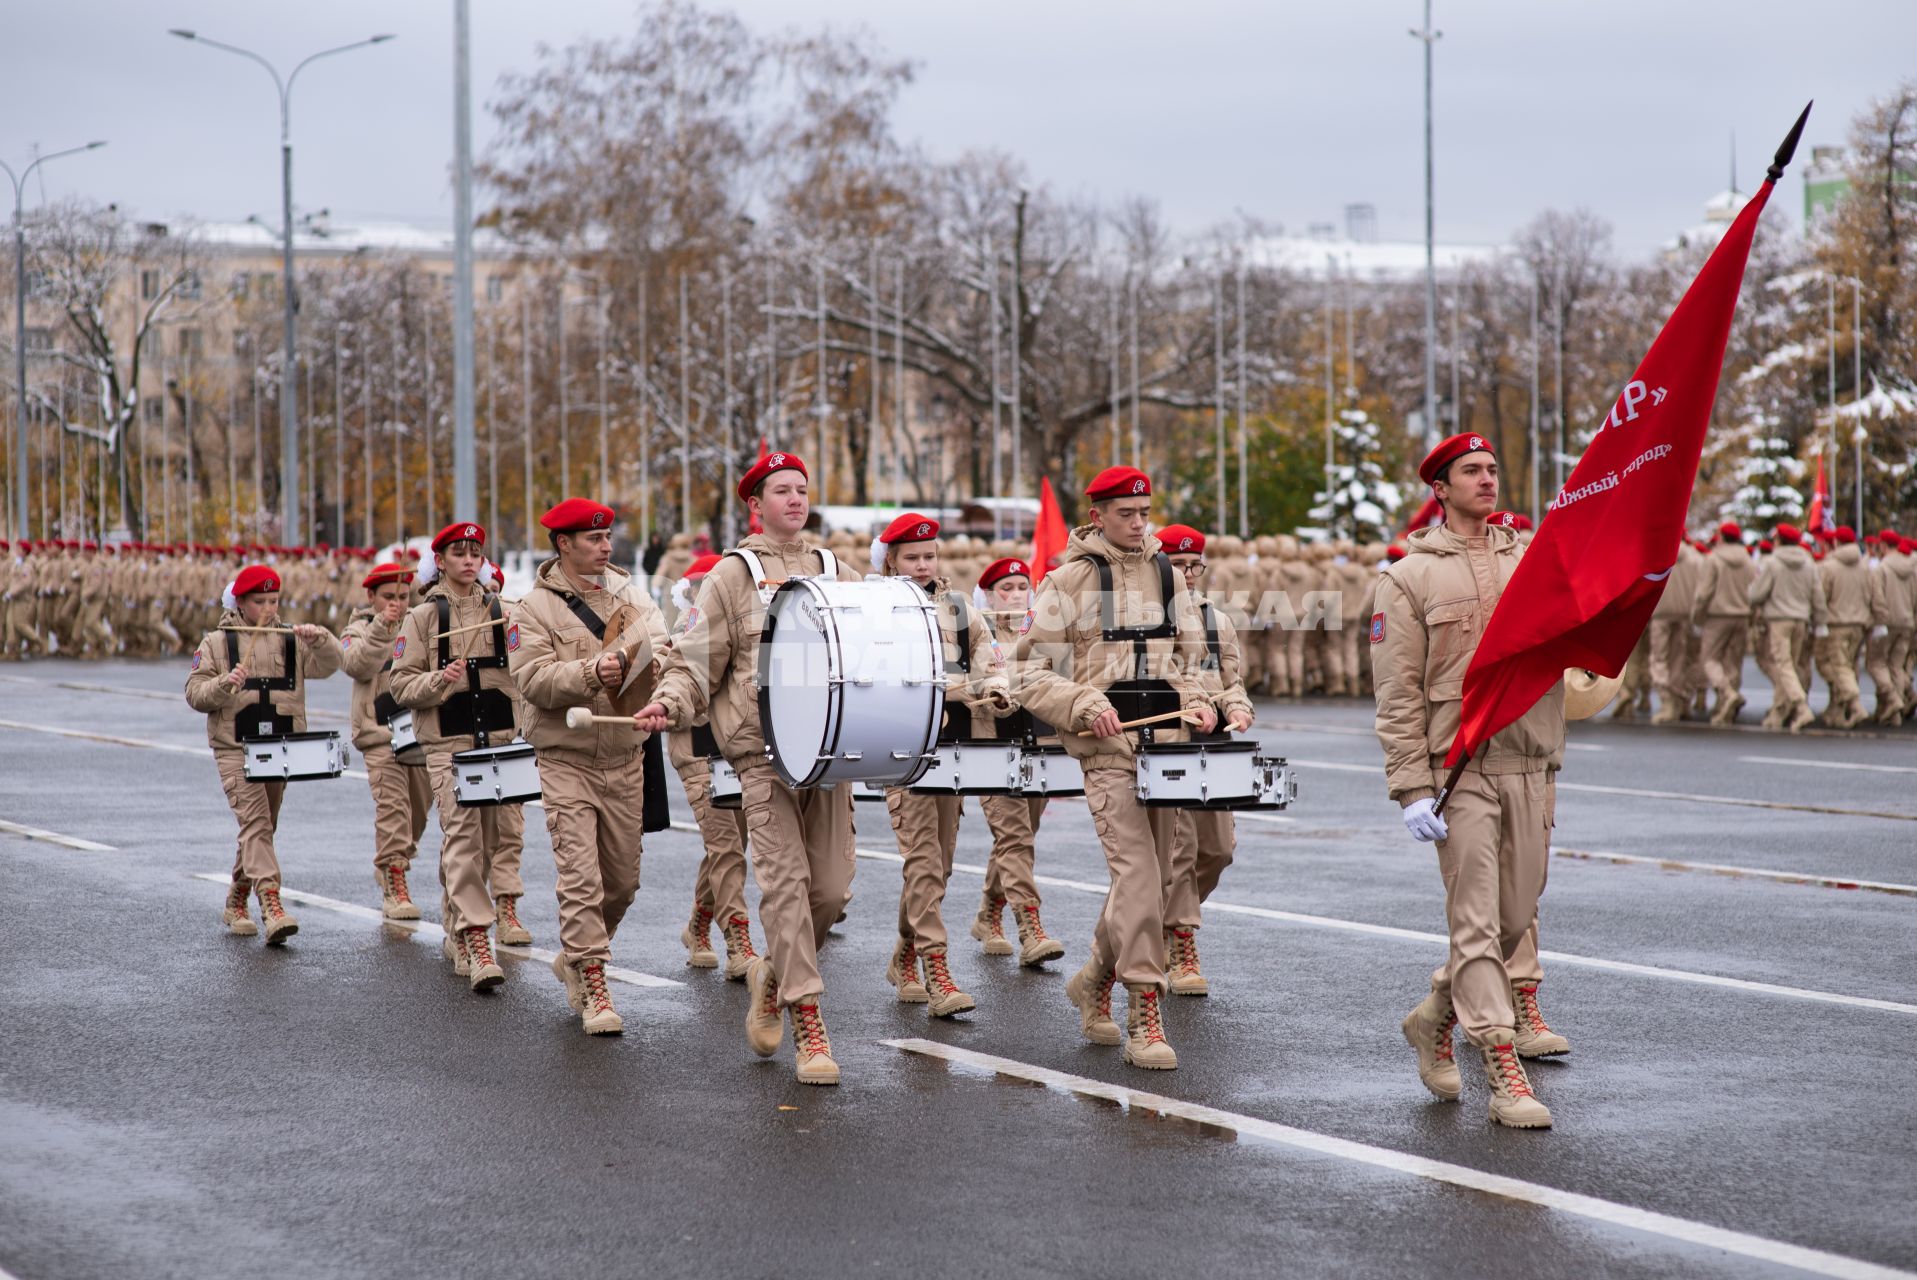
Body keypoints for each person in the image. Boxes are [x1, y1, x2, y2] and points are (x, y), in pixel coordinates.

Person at [636, 453, 859, 1085]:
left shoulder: (836, 570)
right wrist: (670, 701)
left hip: (829, 751)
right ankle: (809, 1024)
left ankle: (772, 977)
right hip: (759, 754)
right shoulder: (733, 575)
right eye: (781, 490)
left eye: (802, 489)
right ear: (755, 505)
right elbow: (695, 661)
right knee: (786, 888)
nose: (795, 499)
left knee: (832, 890)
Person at [1372, 433, 1563, 1129]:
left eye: (1491, 468)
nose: (1487, 480)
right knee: (1477, 924)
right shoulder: (1407, 578)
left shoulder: (1534, 559)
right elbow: (1395, 696)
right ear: (1440, 488)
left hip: (1532, 760)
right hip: (1461, 772)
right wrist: (1410, 786)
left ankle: (1432, 1017)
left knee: (1513, 920)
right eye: (1471, 472)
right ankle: (1501, 1063)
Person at [1013, 466, 1219, 1071]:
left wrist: (1199, 699)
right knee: (1136, 876)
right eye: (1125, 513)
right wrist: (1082, 702)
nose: (1138, 523)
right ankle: (1143, 1006)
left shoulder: (1164, 574)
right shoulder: (1066, 581)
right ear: (1097, 513)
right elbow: (1026, 672)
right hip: (1106, 752)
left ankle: (1094, 979)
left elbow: (1188, 660)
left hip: (1166, 749)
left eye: (1144, 512)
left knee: (1152, 883)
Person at [508, 497, 670, 1035]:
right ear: (564, 544)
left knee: (621, 884)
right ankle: (596, 981)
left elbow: (665, 647)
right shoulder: (534, 608)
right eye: (593, 539)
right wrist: (588, 672)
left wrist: (654, 683)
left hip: (626, 756)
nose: (605, 546)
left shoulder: (631, 594)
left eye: (607, 538)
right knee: (580, 879)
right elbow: (532, 680)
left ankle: (578, 955)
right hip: (567, 758)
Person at [871, 513, 1014, 1019]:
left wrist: (995, 688)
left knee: (941, 866)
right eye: (911, 557)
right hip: (900, 754)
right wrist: (963, 687)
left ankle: (904, 956)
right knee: (925, 863)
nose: (922, 565)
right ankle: (937, 970)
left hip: (955, 752)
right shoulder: (875, 611)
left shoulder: (958, 609)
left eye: (929, 556)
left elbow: (990, 660)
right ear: (890, 560)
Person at [390, 522, 530, 994]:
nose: (469, 560)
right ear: (442, 561)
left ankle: (458, 924)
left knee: (498, 836)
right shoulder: (422, 618)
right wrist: (438, 680)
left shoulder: (504, 611)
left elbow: (529, 668)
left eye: (475, 552)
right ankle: (476, 936)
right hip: (448, 742)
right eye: (458, 553)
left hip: (498, 739)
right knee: (463, 835)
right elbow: (400, 685)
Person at [184, 563, 345, 945]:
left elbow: (332, 665)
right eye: (260, 601)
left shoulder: (290, 639)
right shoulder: (216, 643)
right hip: (235, 747)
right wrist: (225, 684)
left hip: (280, 748)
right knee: (255, 823)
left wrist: (320, 638)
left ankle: (236, 897)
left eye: (274, 600)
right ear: (240, 602)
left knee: (263, 827)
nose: (270, 608)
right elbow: (194, 692)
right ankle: (271, 903)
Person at [1154, 525, 1256, 996]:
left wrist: (1237, 707)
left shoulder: (1217, 620)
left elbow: (1232, 679)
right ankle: (1180, 939)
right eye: (1179, 566)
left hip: (1212, 747)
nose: (1190, 574)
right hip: (1168, 743)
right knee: (1180, 848)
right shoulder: (1148, 618)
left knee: (1219, 850)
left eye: (1196, 565)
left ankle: (1167, 917)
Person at [967, 556, 1067, 967]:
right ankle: (1030, 927)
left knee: (1020, 835)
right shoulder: (978, 633)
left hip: (1037, 747)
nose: (1014, 594)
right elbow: (977, 679)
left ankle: (988, 914)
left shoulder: (1040, 633)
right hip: (992, 749)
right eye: (1004, 589)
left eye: (1021, 587)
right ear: (988, 596)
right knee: (1015, 838)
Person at [664, 552, 759, 979]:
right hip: (697, 748)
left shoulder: (742, 625)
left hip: (734, 748)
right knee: (725, 845)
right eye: (701, 584)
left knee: (732, 845)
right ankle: (737, 939)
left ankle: (698, 922)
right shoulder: (683, 629)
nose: (708, 591)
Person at [339, 560, 435, 920]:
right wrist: (383, 625)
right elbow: (357, 664)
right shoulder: (359, 627)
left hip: (418, 729)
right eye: (389, 596)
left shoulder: (419, 624)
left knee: (418, 811)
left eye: (404, 596)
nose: (398, 602)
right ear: (372, 596)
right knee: (393, 808)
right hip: (378, 731)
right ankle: (395, 879)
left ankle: (394, 860)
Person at [1748, 523, 1824, 733]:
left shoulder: (1773, 563)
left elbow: (1756, 594)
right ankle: (1779, 712)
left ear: (1779, 540)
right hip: (1801, 620)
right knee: (1792, 666)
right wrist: (1821, 621)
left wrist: (1752, 594)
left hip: (1779, 620)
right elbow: (1817, 594)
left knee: (1784, 666)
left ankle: (1800, 707)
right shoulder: (1808, 562)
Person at [1695, 522, 1758, 723]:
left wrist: (1697, 616)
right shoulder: (1748, 560)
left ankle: (1727, 694)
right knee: (1734, 662)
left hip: (1717, 616)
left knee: (1710, 660)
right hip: (1741, 616)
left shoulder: (1713, 560)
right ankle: (1726, 707)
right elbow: (1754, 591)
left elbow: (1704, 593)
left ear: (1721, 537)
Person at [1814, 527, 1871, 728]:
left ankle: (1855, 705)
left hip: (1837, 623)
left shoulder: (1830, 567)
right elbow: (1871, 595)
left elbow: (1821, 598)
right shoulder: (1864, 567)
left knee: (1839, 666)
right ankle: (1839, 708)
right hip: (1859, 624)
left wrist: (1819, 621)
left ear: (1836, 542)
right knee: (1849, 665)